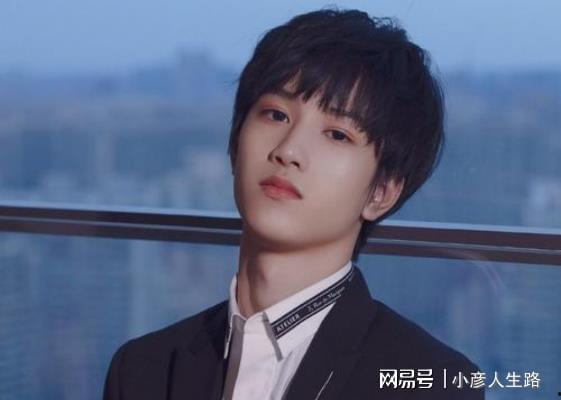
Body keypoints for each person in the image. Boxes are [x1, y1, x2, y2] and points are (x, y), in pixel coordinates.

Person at [103, 8, 484, 400]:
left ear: (381, 193)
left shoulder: (432, 383)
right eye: (276, 114)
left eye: (337, 135)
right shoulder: (142, 369)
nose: (288, 151)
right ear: (235, 144)